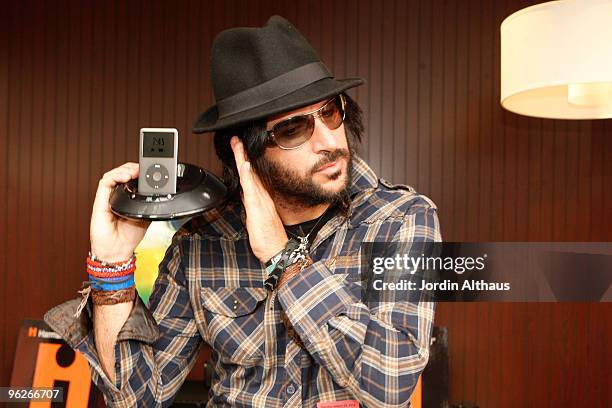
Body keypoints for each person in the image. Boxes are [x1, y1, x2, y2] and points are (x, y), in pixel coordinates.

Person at [45, 15, 441, 408]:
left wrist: (283, 258)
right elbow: (134, 399)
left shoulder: (402, 219)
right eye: (293, 129)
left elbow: (391, 382)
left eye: (331, 113)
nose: (328, 141)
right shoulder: (201, 244)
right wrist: (111, 270)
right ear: (246, 153)